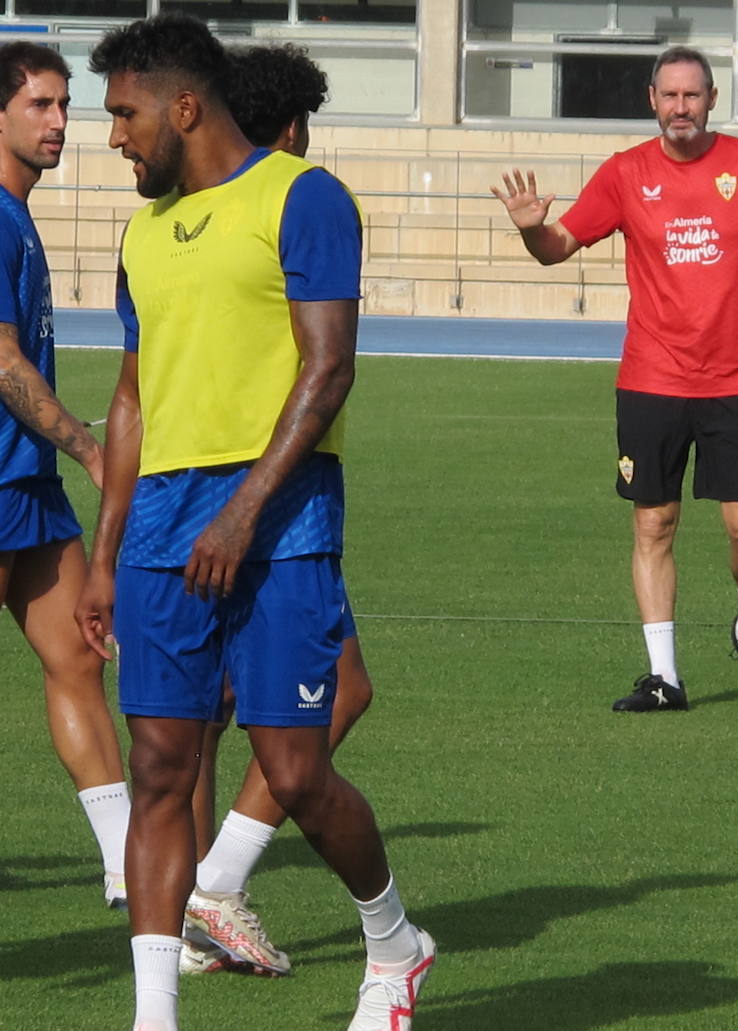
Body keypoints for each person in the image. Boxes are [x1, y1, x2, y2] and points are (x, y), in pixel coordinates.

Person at [74, 14, 431, 1031]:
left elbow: (328, 369)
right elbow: (134, 398)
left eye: (126, 114)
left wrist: (239, 514)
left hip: (279, 519)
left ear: (185, 106)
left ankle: (395, 942)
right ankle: (154, 1016)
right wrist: (104, 554)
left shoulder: (303, 197)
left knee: (294, 767)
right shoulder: (140, 234)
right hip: (158, 535)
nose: (115, 137)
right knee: (158, 766)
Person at [491, 45, 738, 712]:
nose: (680, 108)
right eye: (670, 96)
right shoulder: (625, 173)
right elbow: (559, 249)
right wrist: (530, 231)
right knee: (654, 525)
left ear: (712, 100)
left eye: (692, 96)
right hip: (653, 380)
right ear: (652, 100)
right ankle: (665, 677)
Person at [179, 40, 378, 980]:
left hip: (184, 493)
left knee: (199, 710)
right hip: (271, 500)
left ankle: (193, 896)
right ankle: (211, 886)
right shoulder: (298, 196)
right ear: (293, 124)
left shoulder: (186, 210)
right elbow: (324, 363)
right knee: (336, 696)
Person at [0, 40, 130, 908]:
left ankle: (131, 868)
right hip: (9, 479)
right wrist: (91, 449)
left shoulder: (20, 212)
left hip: (27, 481)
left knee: (81, 659)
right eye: (40, 104)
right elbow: (3, 364)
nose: (59, 121)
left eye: (63, 104)